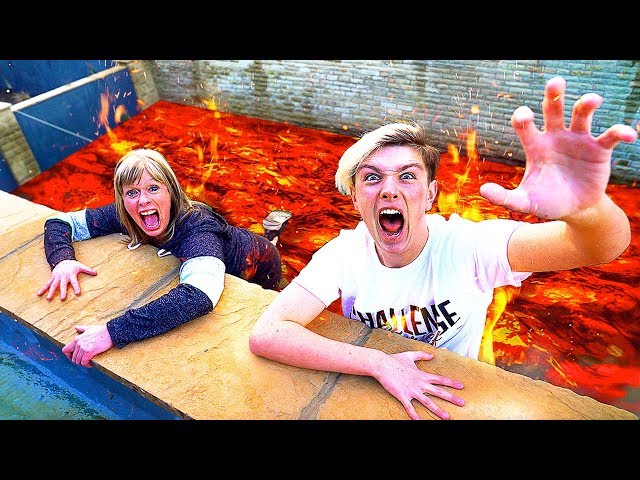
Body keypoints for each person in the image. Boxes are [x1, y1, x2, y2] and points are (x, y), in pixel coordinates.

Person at [249, 75, 638, 420]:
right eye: (371, 178)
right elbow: (268, 333)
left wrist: (588, 210)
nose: (389, 190)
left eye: (407, 176)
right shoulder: (343, 253)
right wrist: (377, 363)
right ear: (354, 198)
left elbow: (597, 248)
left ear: (431, 195)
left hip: (456, 395)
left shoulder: (469, 246)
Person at [37, 148, 292, 368]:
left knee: (269, 304)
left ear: (171, 191)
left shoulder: (198, 229)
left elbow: (199, 296)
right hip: (227, 243)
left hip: (259, 262)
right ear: (122, 199)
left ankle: (271, 236)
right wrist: (62, 259)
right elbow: (59, 222)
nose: (143, 201)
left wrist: (112, 332)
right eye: (132, 192)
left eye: (153, 188)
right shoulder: (126, 214)